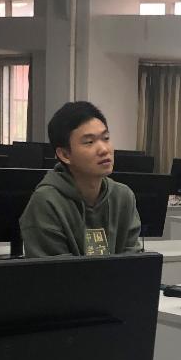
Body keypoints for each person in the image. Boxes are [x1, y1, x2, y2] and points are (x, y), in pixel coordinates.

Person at [20, 101, 140, 257]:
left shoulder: (123, 196)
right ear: (65, 155)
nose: (104, 149)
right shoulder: (46, 202)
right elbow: (54, 270)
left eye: (106, 138)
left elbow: (134, 262)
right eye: (89, 142)